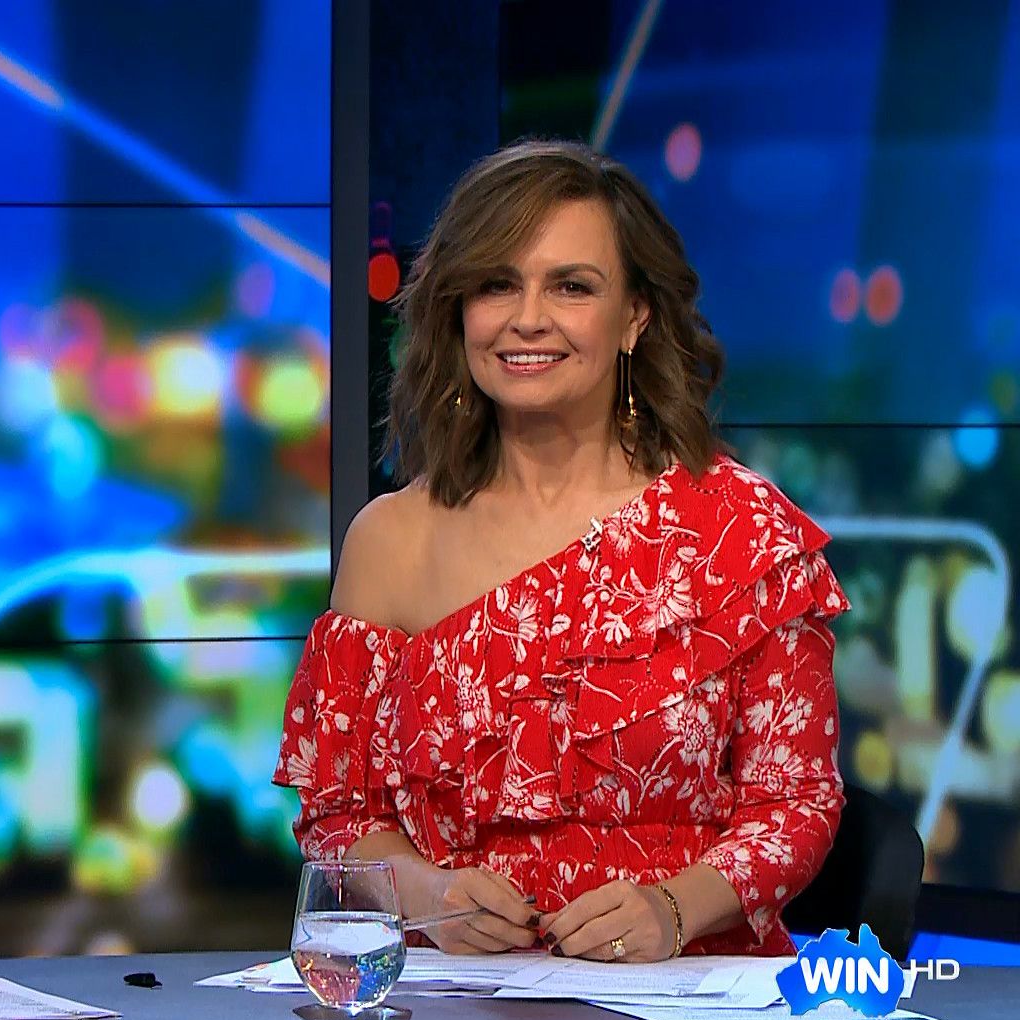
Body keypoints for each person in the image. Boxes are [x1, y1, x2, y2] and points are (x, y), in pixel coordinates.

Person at [275, 140, 846, 961]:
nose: (527, 318)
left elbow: (794, 806)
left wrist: (671, 910)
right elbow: (340, 814)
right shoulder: (390, 541)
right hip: (457, 996)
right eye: (496, 284)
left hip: (683, 992)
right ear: (459, 311)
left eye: (572, 286)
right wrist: (430, 897)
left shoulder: (740, 532)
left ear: (635, 316)